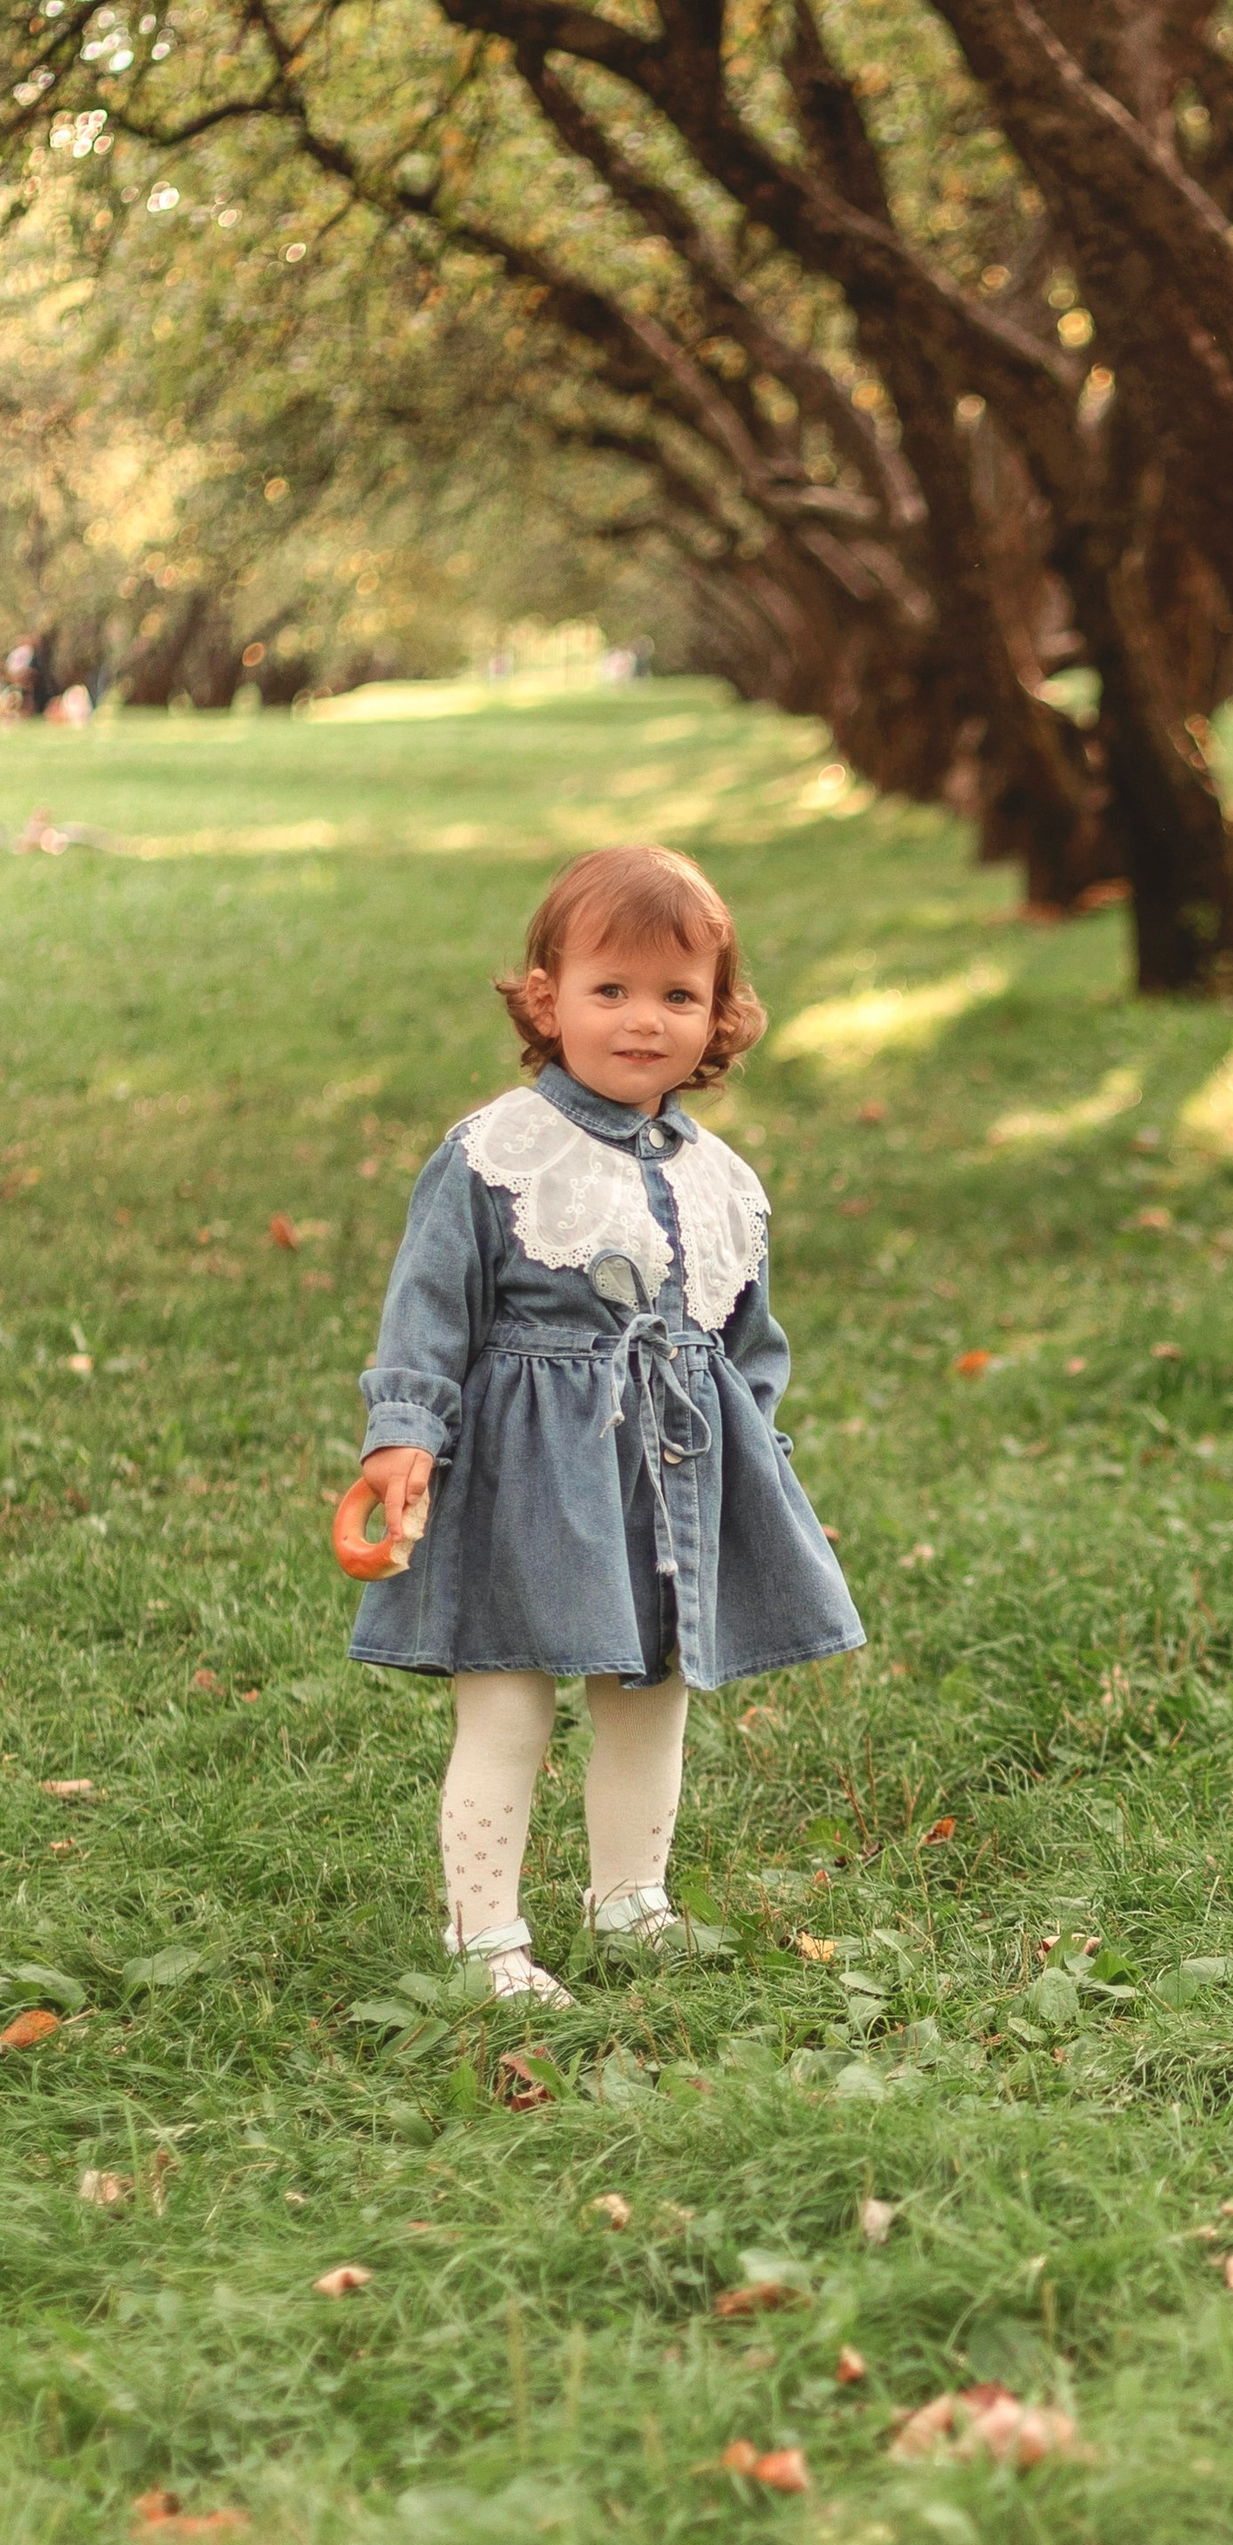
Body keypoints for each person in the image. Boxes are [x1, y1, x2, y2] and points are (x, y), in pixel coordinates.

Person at [352, 844, 862, 2001]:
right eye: (611, 989)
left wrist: (758, 1467)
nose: (644, 1020)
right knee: (507, 1706)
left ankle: (629, 1897)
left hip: (664, 1486)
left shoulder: (722, 1179)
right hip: (525, 1477)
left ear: (719, 1015)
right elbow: (429, 1306)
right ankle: (485, 1939)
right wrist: (406, 1430)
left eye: (678, 995)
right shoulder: (498, 1154)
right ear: (548, 1000)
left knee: (649, 1702)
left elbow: (746, 1343)